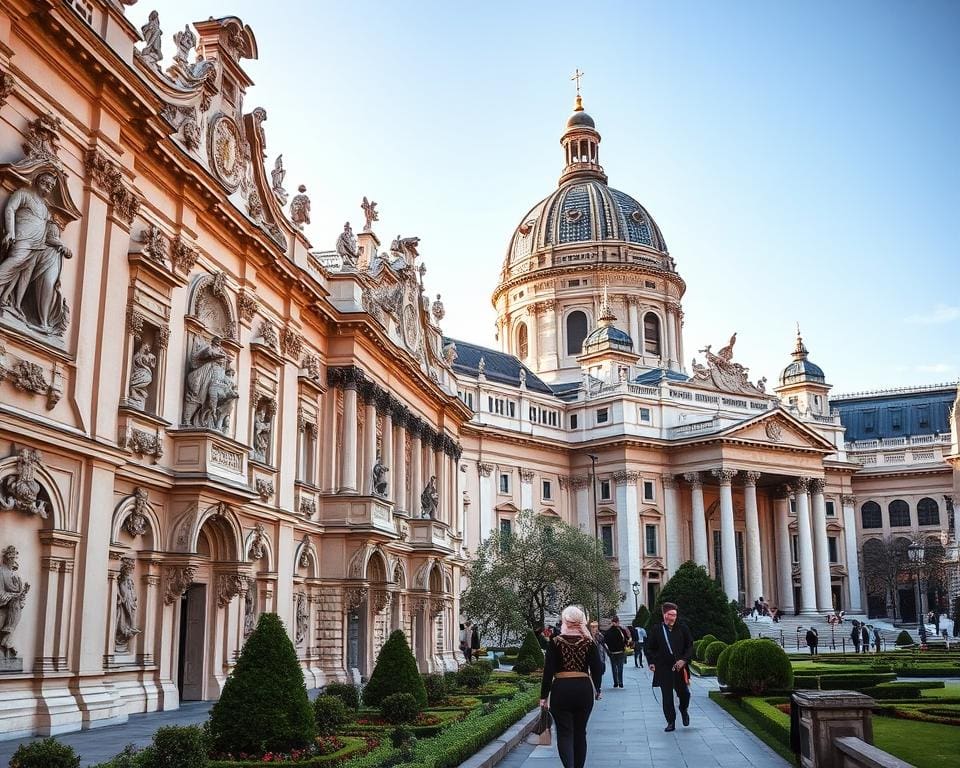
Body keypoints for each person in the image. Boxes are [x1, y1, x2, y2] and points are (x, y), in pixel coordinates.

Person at [539, 605, 603, 768]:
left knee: (565, 733)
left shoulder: (555, 642)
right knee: (580, 733)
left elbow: (548, 672)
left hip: (561, 690)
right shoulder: (589, 642)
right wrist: (598, 688)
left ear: (564, 621)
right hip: (583, 690)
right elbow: (597, 668)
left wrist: (543, 696)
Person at [644, 602, 693, 732]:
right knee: (667, 696)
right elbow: (649, 648)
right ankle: (670, 721)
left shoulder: (682, 628)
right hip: (664, 667)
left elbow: (690, 646)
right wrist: (652, 662)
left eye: (675, 615)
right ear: (664, 615)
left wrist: (684, 660)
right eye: (671, 615)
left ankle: (683, 709)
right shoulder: (657, 629)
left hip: (679, 667)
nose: (673, 618)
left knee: (684, 693)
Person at [602, 616, 629, 688]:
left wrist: (608, 650)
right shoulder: (620, 630)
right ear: (617, 622)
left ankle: (615, 682)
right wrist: (624, 645)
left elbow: (605, 642)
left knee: (614, 668)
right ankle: (620, 682)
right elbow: (625, 639)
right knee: (620, 667)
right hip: (620, 651)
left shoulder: (608, 632)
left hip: (612, 652)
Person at [588, 620, 607, 700]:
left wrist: (596, 635)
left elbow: (603, 643)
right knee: (592, 676)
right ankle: (595, 691)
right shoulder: (587, 636)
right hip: (590, 660)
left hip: (599, 659)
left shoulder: (599, 635)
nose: (594, 628)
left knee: (598, 676)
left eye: (595, 626)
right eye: (592, 627)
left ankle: (597, 690)